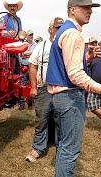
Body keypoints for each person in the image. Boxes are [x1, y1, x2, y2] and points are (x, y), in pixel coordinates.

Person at [45, 0, 101, 177]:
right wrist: (100, 88)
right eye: (86, 8)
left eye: (91, 8)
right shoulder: (73, 34)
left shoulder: (64, 31)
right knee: (70, 150)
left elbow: (67, 66)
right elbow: (74, 74)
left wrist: (86, 58)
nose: (90, 12)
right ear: (73, 10)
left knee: (64, 146)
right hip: (69, 97)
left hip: (61, 97)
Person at [25, 17, 64, 162]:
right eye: (56, 27)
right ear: (50, 29)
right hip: (44, 89)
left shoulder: (66, 45)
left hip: (62, 89)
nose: (59, 30)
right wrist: (34, 87)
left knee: (61, 119)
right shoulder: (41, 46)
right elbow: (33, 65)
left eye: (61, 27)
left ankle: (61, 148)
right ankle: (38, 148)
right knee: (41, 119)